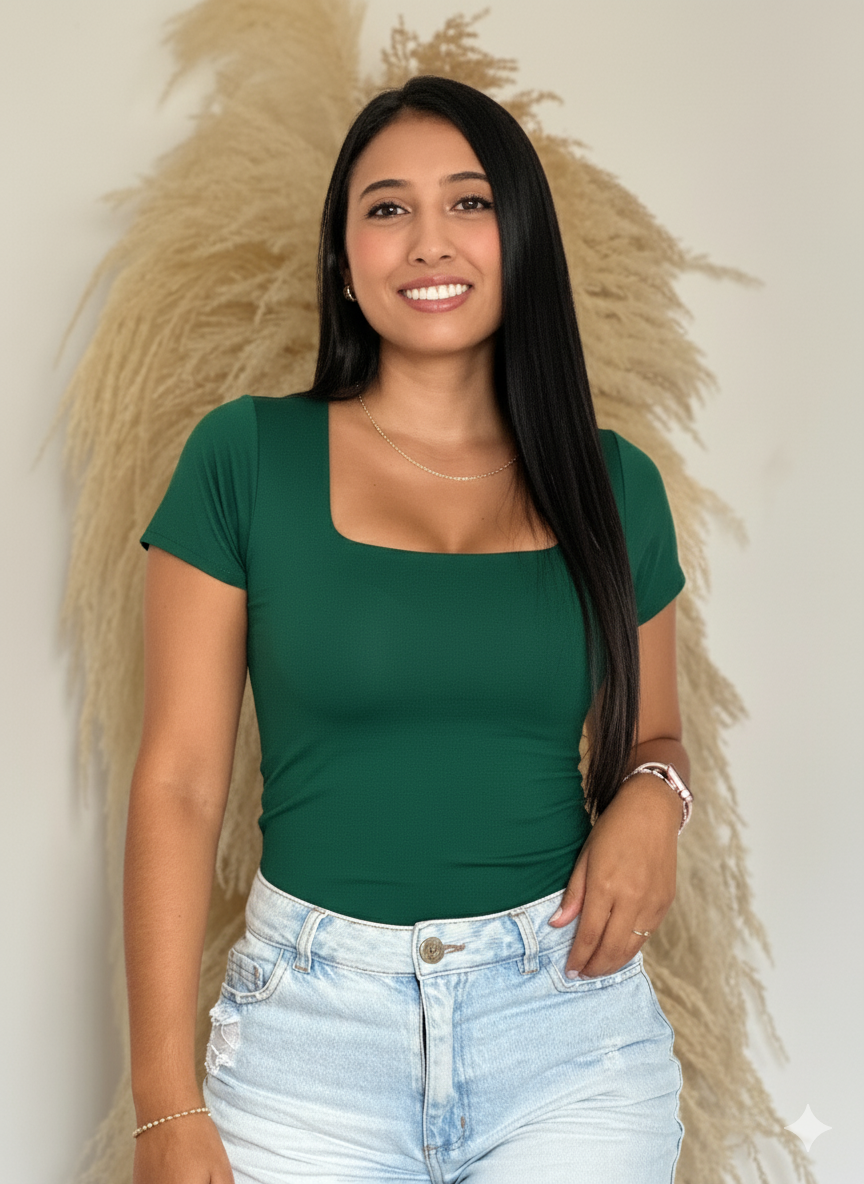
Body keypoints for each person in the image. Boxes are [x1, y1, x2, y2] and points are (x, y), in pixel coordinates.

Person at [126, 75, 690, 1184]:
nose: (430, 240)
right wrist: (162, 1104)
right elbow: (180, 783)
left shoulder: (615, 484)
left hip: (567, 1028)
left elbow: (656, 739)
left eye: (468, 203)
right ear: (344, 259)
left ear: (521, 238)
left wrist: (654, 798)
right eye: (388, 208)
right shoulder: (244, 458)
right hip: (307, 1042)